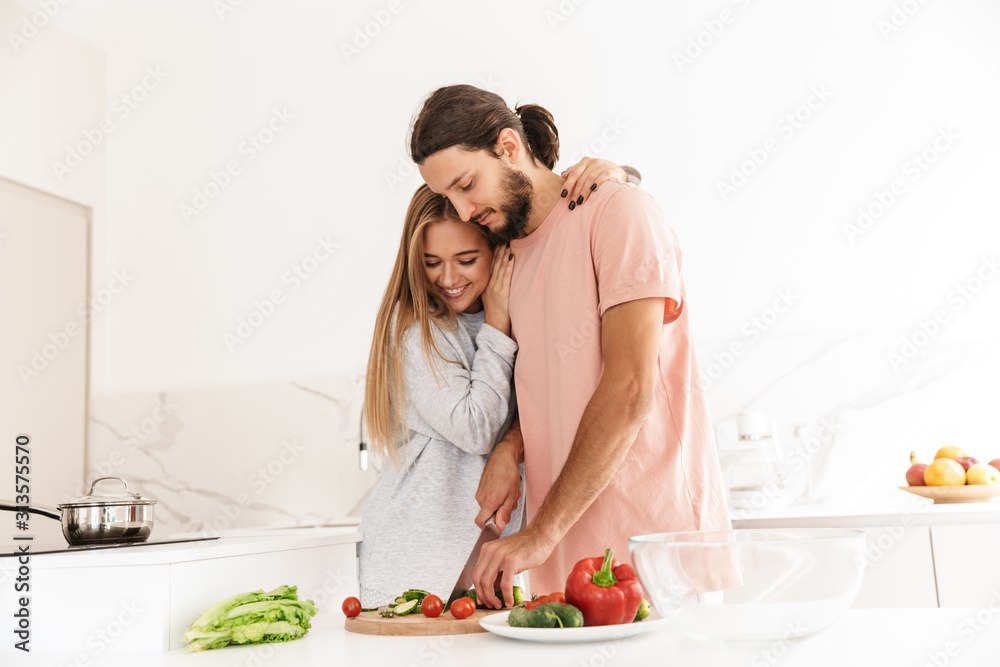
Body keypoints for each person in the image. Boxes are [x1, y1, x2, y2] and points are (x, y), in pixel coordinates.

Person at [409, 85, 732, 607]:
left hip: (656, 555)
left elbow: (629, 388)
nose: (463, 212)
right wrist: (510, 448)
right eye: (450, 198)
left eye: (468, 185)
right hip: (560, 568)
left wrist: (540, 532)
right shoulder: (508, 253)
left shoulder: (617, 213)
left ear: (509, 147)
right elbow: (554, 382)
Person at [358, 159, 634, 607]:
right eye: (432, 263)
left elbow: (541, 403)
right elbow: (476, 429)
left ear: (501, 250)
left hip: (487, 574)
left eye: (466, 260)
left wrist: (615, 174)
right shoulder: (418, 331)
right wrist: (498, 325)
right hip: (412, 565)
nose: (448, 279)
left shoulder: (522, 308)